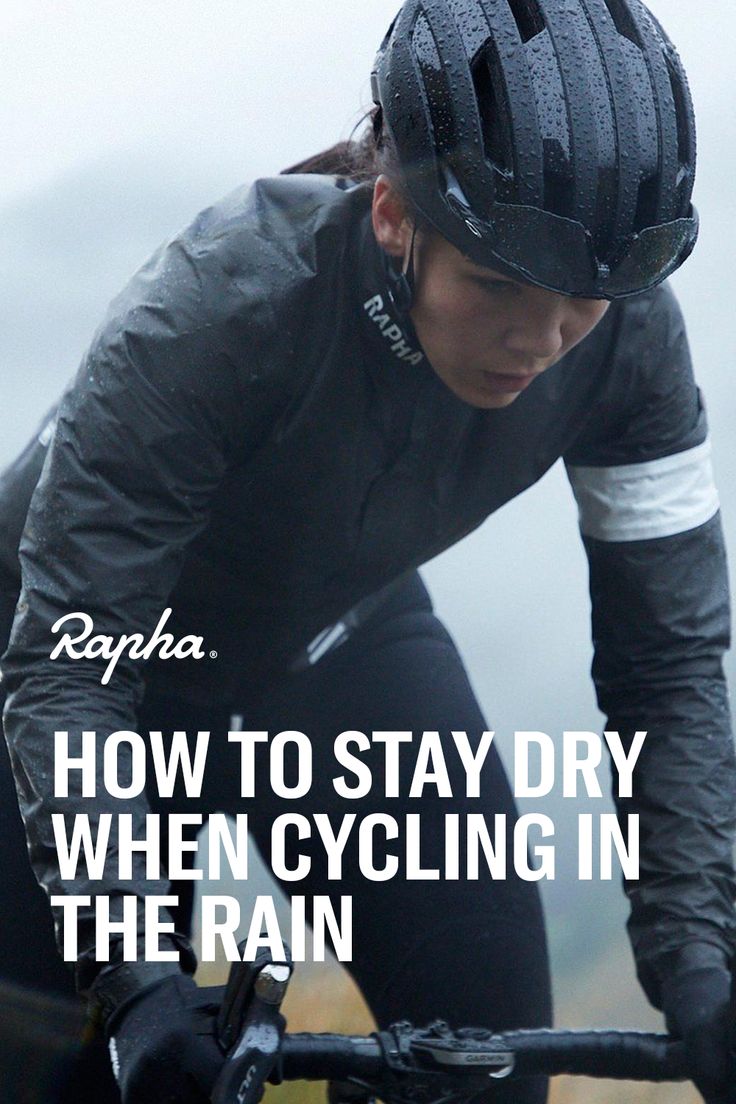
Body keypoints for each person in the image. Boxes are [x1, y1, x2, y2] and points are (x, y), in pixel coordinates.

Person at [1, 0, 734, 1101]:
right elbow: (68, 670)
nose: (539, 342)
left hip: (330, 638)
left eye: (581, 295)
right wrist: (133, 974)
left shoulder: (630, 338)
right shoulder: (212, 308)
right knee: (97, 1075)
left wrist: (697, 962)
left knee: (485, 1063)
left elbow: (667, 666)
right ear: (392, 214)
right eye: (496, 286)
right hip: (83, 674)